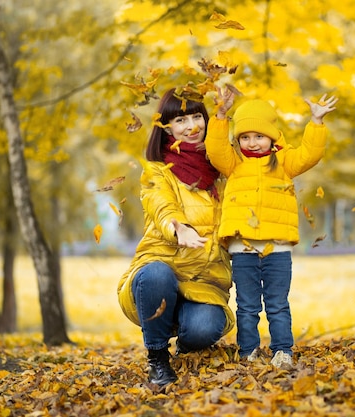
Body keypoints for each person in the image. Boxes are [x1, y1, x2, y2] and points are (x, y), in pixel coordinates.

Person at [204, 88, 337, 368]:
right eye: (245, 137)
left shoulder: (284, 162)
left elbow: (310, 154)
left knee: (277, 303)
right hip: (244, 247)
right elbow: (215, 149)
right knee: (248, 305)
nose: (252, 143)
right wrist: (220, 115)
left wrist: (316, 123)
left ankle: (282, 350)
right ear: (238, 139)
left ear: (272, 137)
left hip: (277, 247)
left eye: (259, 136)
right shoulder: (234, 163)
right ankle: (248, 350)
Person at [117, 88, 235, 388]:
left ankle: (187, 338)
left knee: (204, 329)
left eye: (198, 116)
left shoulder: (223, 170)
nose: (192, 126)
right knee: (157, 274)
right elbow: (161, 203)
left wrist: (222, 115)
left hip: (203, 280)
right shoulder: (157, 170)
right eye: (181, 119)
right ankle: (157, 358)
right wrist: (179, 227)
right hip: (161, 269)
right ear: (166, 127)